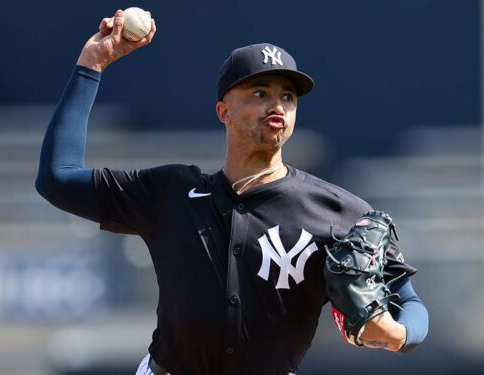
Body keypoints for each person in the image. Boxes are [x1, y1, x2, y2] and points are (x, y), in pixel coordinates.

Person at [36, 9, 428, 375]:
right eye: (260, 93)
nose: (276, 104)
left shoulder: (336, 210)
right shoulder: (170, 193)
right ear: (223, 111)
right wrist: (92, 64)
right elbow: (57, 177)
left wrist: (400, 334)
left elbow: (410, 302)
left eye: (287, 96)